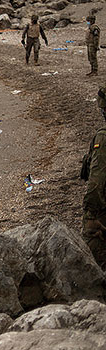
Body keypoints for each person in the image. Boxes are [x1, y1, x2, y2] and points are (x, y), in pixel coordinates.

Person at [82, 87, 106, 268]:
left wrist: (91, 214)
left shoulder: (103, 138)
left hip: (102, 212)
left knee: (92, 265)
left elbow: (96, 181)